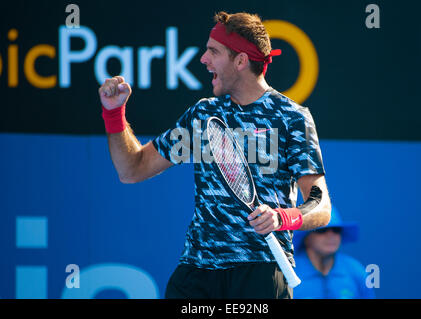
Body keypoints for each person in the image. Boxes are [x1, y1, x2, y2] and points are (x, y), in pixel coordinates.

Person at [98, 11, 331, 299]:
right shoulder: (203, 115)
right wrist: (113, 114)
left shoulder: (292, 118)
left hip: (259, 273)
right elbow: (131, 169)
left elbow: (321, 207)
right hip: (196, 275)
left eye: (213, 51)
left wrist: (282, 218)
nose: (203, 59)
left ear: (241, 61)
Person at [292, 206, 375, 299]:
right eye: (321, 230)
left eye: (336, 230)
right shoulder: (288, 273)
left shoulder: (356, 270)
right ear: (306, 238)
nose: (331, 235)